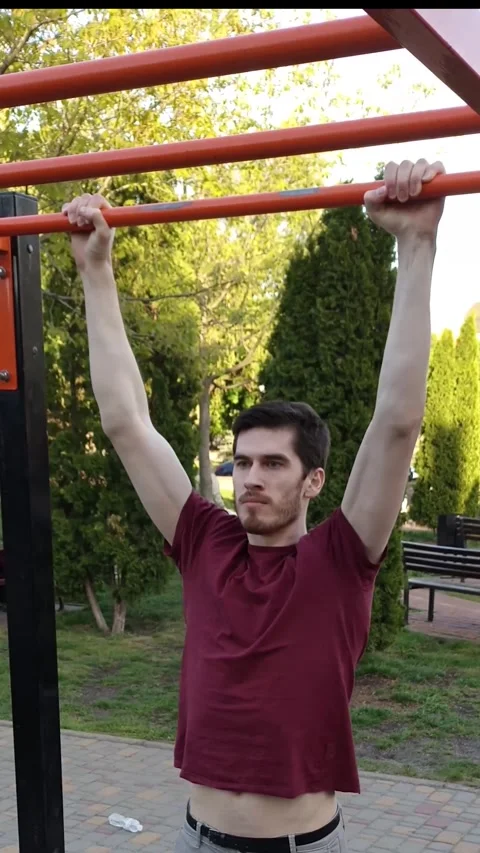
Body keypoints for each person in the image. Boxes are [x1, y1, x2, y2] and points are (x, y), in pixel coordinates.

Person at [63, 157, 445, 853]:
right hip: (197, 837)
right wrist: (96, 272)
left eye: (274, 463)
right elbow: (125, 421)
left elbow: (397, 420)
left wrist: (415, 247)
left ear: (313, 481)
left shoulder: (340, 557)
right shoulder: (205, 540)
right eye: (241, 462)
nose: (251, 477)